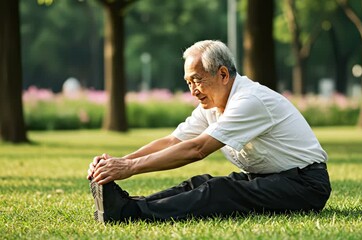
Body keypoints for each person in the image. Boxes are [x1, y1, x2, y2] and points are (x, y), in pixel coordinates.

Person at [87, 40, 331, 223]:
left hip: (305, 186)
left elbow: (197, 149)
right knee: (200, 183)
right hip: (269, 178)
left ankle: (132, 213)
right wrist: (119, 162)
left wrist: (129, 169)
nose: (193, 90)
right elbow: (174, 140)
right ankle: (128, 205)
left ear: (223, 74)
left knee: (220, 192)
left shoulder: (250, 100)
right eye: (188, 83)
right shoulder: (212, 104)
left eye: (197, 80)